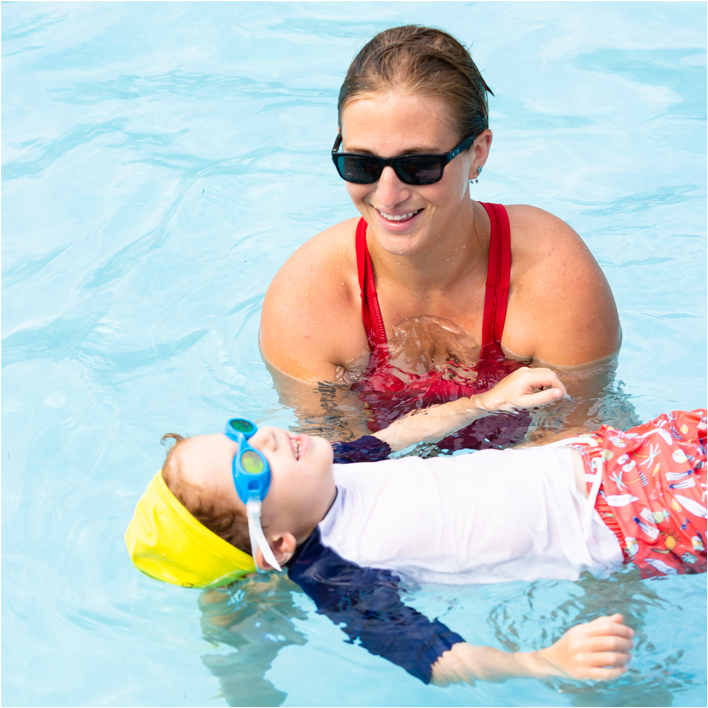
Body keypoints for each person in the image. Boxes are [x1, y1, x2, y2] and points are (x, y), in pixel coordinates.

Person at [125, 369, 706, 687]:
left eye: (241, 434)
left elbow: (408, 432)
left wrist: (488, 400)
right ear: (277, 545)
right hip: (632, 521)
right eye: (248, 465)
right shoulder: (339, 578)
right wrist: (544, 662)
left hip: (612, 453)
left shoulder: (338, 464)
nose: (265, 439)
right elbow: (435, 658)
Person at [259, 25, 622, 450]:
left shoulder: (550, 275)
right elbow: (340, 472)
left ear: (478, 152)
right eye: (361, 164)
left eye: (420, 165)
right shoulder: (310, 298)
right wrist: (475, 406)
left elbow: (570, 455)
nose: (389, 196)